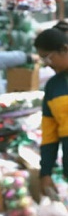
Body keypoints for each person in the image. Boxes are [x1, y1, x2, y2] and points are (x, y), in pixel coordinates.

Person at [33, 21, 68, 196]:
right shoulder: (53, 86)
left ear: (64, 49)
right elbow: (49, 134)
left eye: (47, 57)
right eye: (42, 59)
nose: (46, 64)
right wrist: (45, 172)